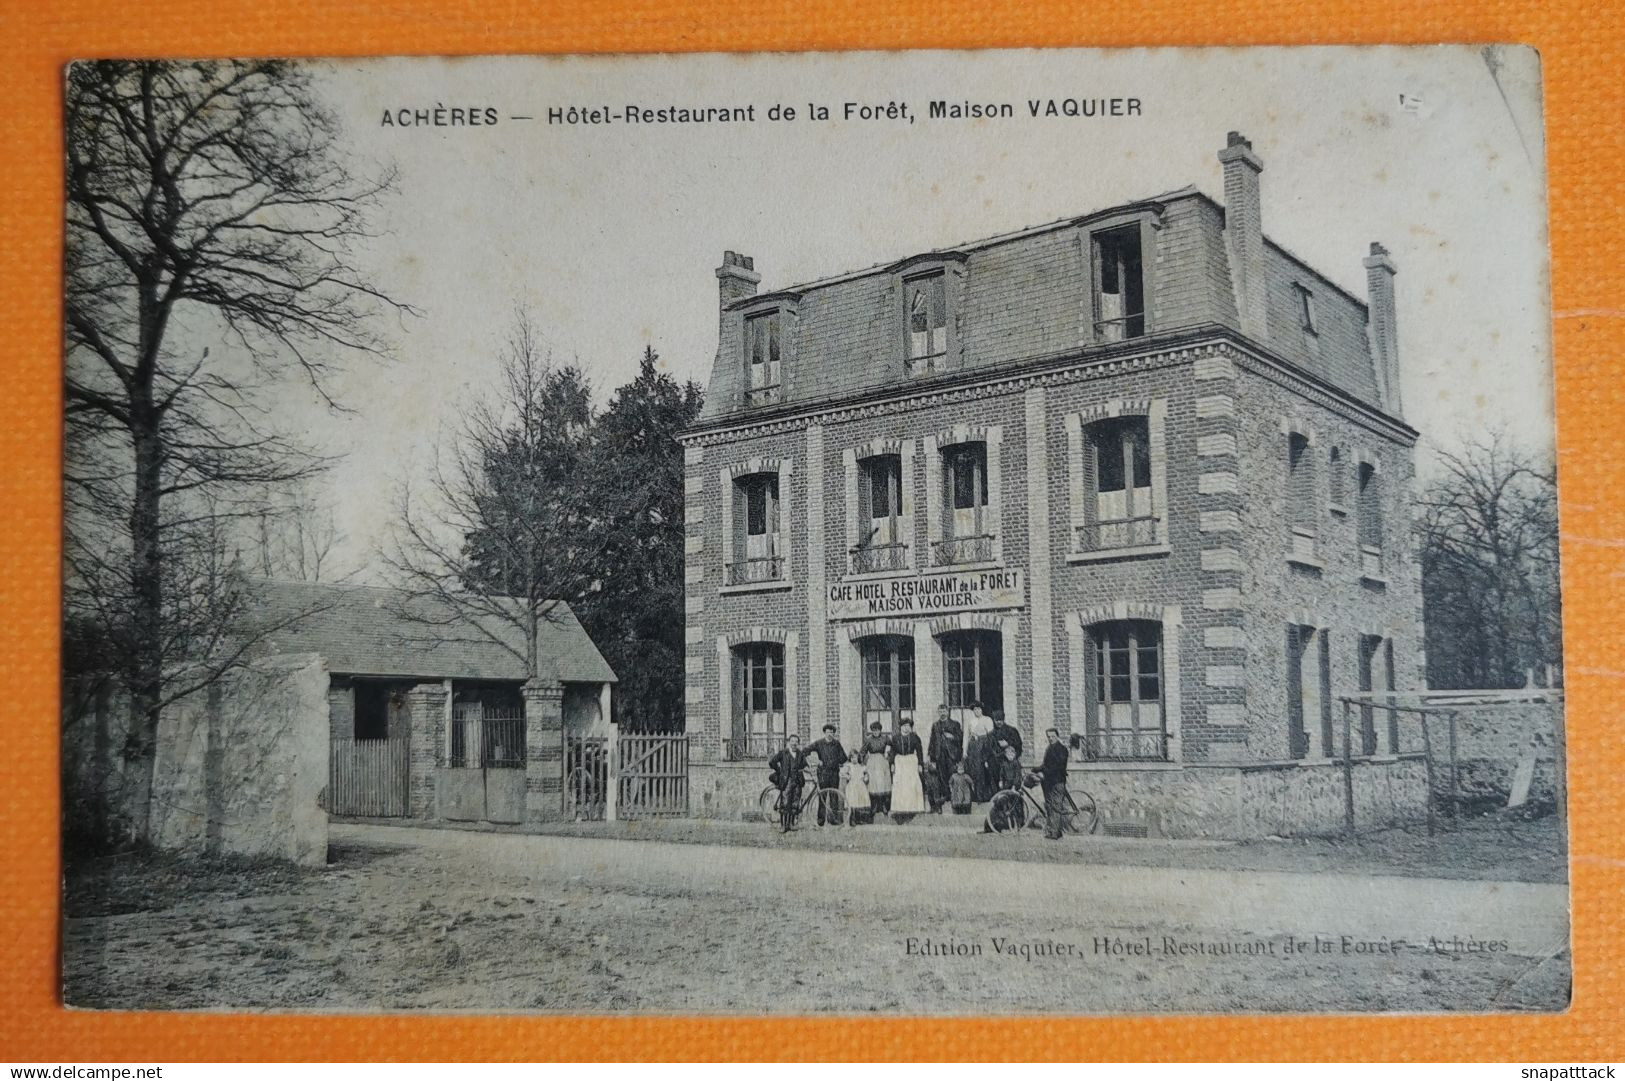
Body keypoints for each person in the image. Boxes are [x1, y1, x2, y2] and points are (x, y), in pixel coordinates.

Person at [807, 723, 848, 825]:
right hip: (823, 774)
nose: (830, 734)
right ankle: (820, 821)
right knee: (822, 797)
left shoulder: (837, 744)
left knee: (834, 796)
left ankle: (833, 820)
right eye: (828, 732)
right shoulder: (819, 743)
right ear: (824, 733)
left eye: (832, 732)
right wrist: (816, 761)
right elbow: (805, 751)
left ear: (834, 733)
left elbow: (844, 758)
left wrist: (835, 761)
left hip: (834, 774)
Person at [926, 703, 963, 813]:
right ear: (939, 712)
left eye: (944, 711)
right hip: (939, 755)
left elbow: (960, 738)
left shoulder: (955, 724)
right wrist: (930, 756)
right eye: (940, 711)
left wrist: (952, 737)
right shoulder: (935, 725)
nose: (942, 713)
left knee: (951, 775)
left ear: (948, 712)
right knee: (941, 777)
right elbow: (932, 741)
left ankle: (953, 798)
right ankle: (945, 798)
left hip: (951, 755)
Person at [984, 743, 1028, 832]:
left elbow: (1017, 776)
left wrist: (1014, 786)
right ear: (1005, 755)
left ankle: (1019, 824)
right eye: (1008, 755)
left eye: (1011, 754)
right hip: (1006, 785)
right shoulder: (1004, 764)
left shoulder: (1016, 763)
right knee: (1006, 804)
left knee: (1017, 806)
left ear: (1014, 754)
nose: (1010, 756)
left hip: (1014, 786)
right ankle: (1007, 824)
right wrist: (1000, 781)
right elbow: (1001, 774)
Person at [1038, 727, 1073, 840]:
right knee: (1049, 805)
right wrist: (1036, 769)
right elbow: (1045, 764)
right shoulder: (1049, 748)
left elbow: (1059, 767)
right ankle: (1055, 831)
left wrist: (1045, 772)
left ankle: (1054, 833)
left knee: (1056, 806)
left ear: (1057, 736)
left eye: (1053, 736)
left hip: (1057, 781)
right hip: (1048, 781)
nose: (1050, 738)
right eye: (1048, 737)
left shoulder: (1062, 749)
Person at [889, 718, 928, 820]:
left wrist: (920, 764)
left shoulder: (915, 737)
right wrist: (892, 763)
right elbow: (892, 751)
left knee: (911, 785)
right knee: (900, 785)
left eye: (908, 726)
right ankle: (900, 809)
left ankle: (912, 808)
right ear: (900, 727)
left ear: (910, 727)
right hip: (900, 762)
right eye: (904, 726)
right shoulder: (895, 738)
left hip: (911, 762)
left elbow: (919, 751)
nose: (906, 728)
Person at [767, 734, 806, 831]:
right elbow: (772, 762)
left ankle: (792, 824)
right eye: (792, 741)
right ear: (789, 742)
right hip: (786, 781)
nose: (794, 744)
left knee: (795, 803)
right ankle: (783, 826)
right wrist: (780, 771)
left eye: (796, 742)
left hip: (797, 781)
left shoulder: (800, 754)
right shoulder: (783, 753)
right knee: (785, 803)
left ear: (798, 743)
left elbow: (804, 765)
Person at [860, 721, 893, 816]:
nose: (875, 732)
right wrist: (862, 764)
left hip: (883, 762)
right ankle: (874, 806)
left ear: (880, 730)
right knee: (873, 784)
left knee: (883, 784)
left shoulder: (885, 738)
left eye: (877, 730)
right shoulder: (868, 740)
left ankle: (883, 806)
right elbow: (863, 752)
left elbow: (892, 748)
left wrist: (888, 754)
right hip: (873, 763)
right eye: (873, 730)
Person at [963, 701, 995, 802]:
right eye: (975, 709)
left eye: (979, 709)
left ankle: (982, 796)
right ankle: (974, 796)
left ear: (982, 709)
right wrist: (965, 750)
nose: (977, 711)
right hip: (973, 748)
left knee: (981, 772)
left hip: (983, 747)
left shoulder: (987, 719)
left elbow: (990, 736)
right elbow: (966, 736)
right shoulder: (970, 721)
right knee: (973, 772)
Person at [843, 756, 872, 826]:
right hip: (852, 785)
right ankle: (852, 820)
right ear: (850, 758)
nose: (854, 759)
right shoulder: (849, 766)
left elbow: (866, 774)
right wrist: (848, 776)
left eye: (855, 757)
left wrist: (866, 778)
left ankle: (859, 819)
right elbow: (843, 773)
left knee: (860, 802)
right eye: (852, 757)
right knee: (852, 802)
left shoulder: (861, 766)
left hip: (860, 785)